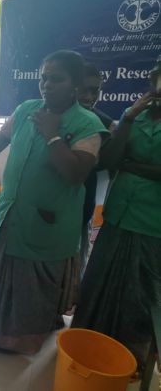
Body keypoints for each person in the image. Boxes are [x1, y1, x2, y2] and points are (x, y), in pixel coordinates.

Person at [0, 50, 108, 355]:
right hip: (9, 214)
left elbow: (75, 174)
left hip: (48, 224)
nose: (47, 85)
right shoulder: (25, 110)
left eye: (56, 79)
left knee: (31, 287)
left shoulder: (87, 123)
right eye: (44, 78)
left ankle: (19, 341)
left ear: (75, 84)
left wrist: (52, 135)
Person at [72, 57, 161, 372]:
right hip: (118, 214)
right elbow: (109, 161)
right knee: (99, 283)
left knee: (139, 295)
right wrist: (128, 119)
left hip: (152, 223)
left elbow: (125, 163)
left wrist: (131, 165)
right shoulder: (134, 116)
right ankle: (87, 348)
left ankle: (130, 359)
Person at [77, 62, 115, 277]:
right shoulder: (50, 115)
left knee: (72, 261)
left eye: (95, 91)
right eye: (85, 89)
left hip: (82, 201)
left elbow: (109, 164)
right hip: (42, 201)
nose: (90, 96)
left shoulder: (106, 125)